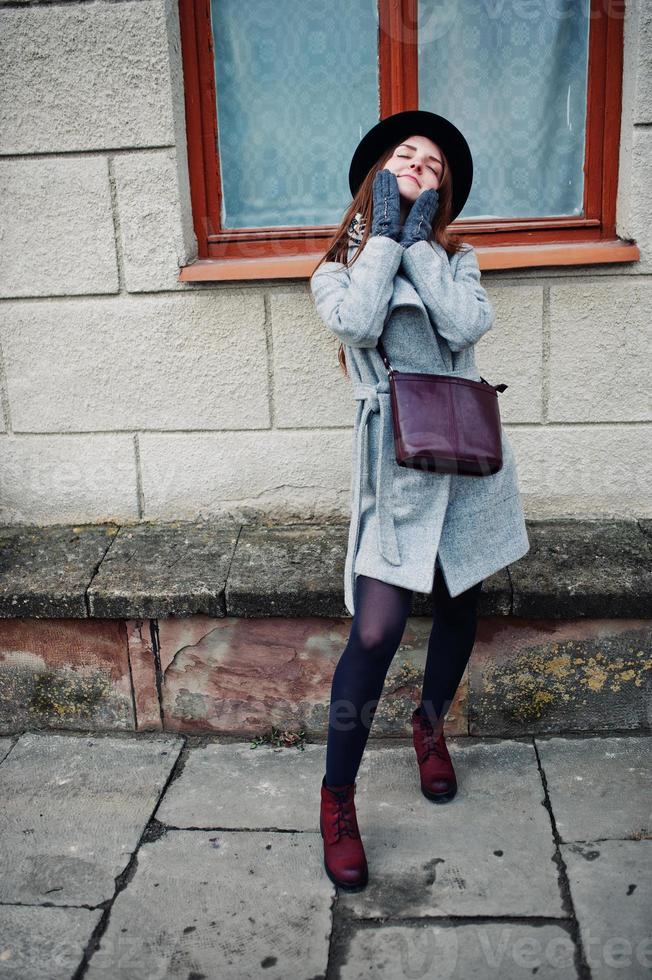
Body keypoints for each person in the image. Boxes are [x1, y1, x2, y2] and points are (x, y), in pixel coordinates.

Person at [310, 111, 530, 892]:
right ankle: (338, 801)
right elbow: (358, 322)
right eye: (404, 156)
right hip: (394, 468)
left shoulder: (459, 259)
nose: (417, 163)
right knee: (375, 632)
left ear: (443, 196)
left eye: (432, 165)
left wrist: (420, 245)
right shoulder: (337, 267)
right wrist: (384, 239)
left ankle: (429, 727)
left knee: (461, 602)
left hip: (466, 461)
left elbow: (467, 323)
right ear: (376, 175)